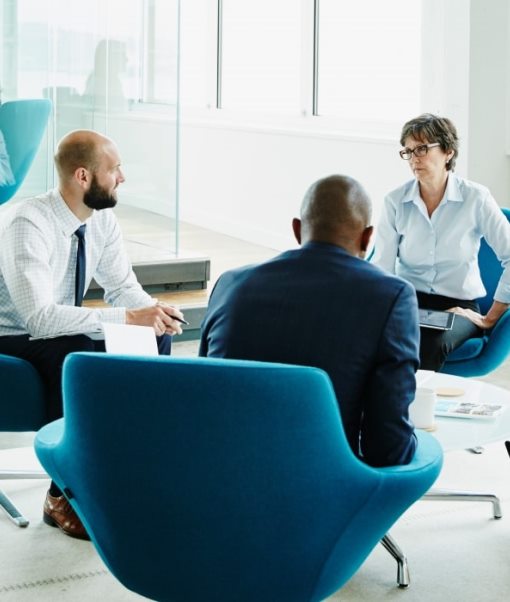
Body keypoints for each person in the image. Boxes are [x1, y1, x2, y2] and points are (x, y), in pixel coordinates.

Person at [0, 129, 186, 539]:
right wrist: (127, 317)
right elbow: (40, 320)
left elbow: (123, 288)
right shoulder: (27, 223)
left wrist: (154, 313)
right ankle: (62, 494)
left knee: (155, 336)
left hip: (56, 326)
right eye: (114, 169)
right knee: (75, 351)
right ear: (83, 177)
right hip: (10, 331)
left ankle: (129, 468)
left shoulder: (101, 220)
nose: (122, 178)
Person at [200, 174, 419, 468]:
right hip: (324, 488)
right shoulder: (391, 295)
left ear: (297, 229)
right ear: (367, 238)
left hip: (220, 474)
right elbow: (387, 447)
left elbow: (202, 393)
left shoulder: (230, 285)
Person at [373, 113, 510, 371]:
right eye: (408, 151)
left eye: (422, 149)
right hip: (408, 301)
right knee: (380, 339)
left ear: (448, 151)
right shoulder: (395, 201)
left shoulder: (476, 199)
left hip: (457, 308)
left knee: (431, 344)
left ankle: (410, 409)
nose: (414, 158)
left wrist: (489, 318)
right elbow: (382, 269)